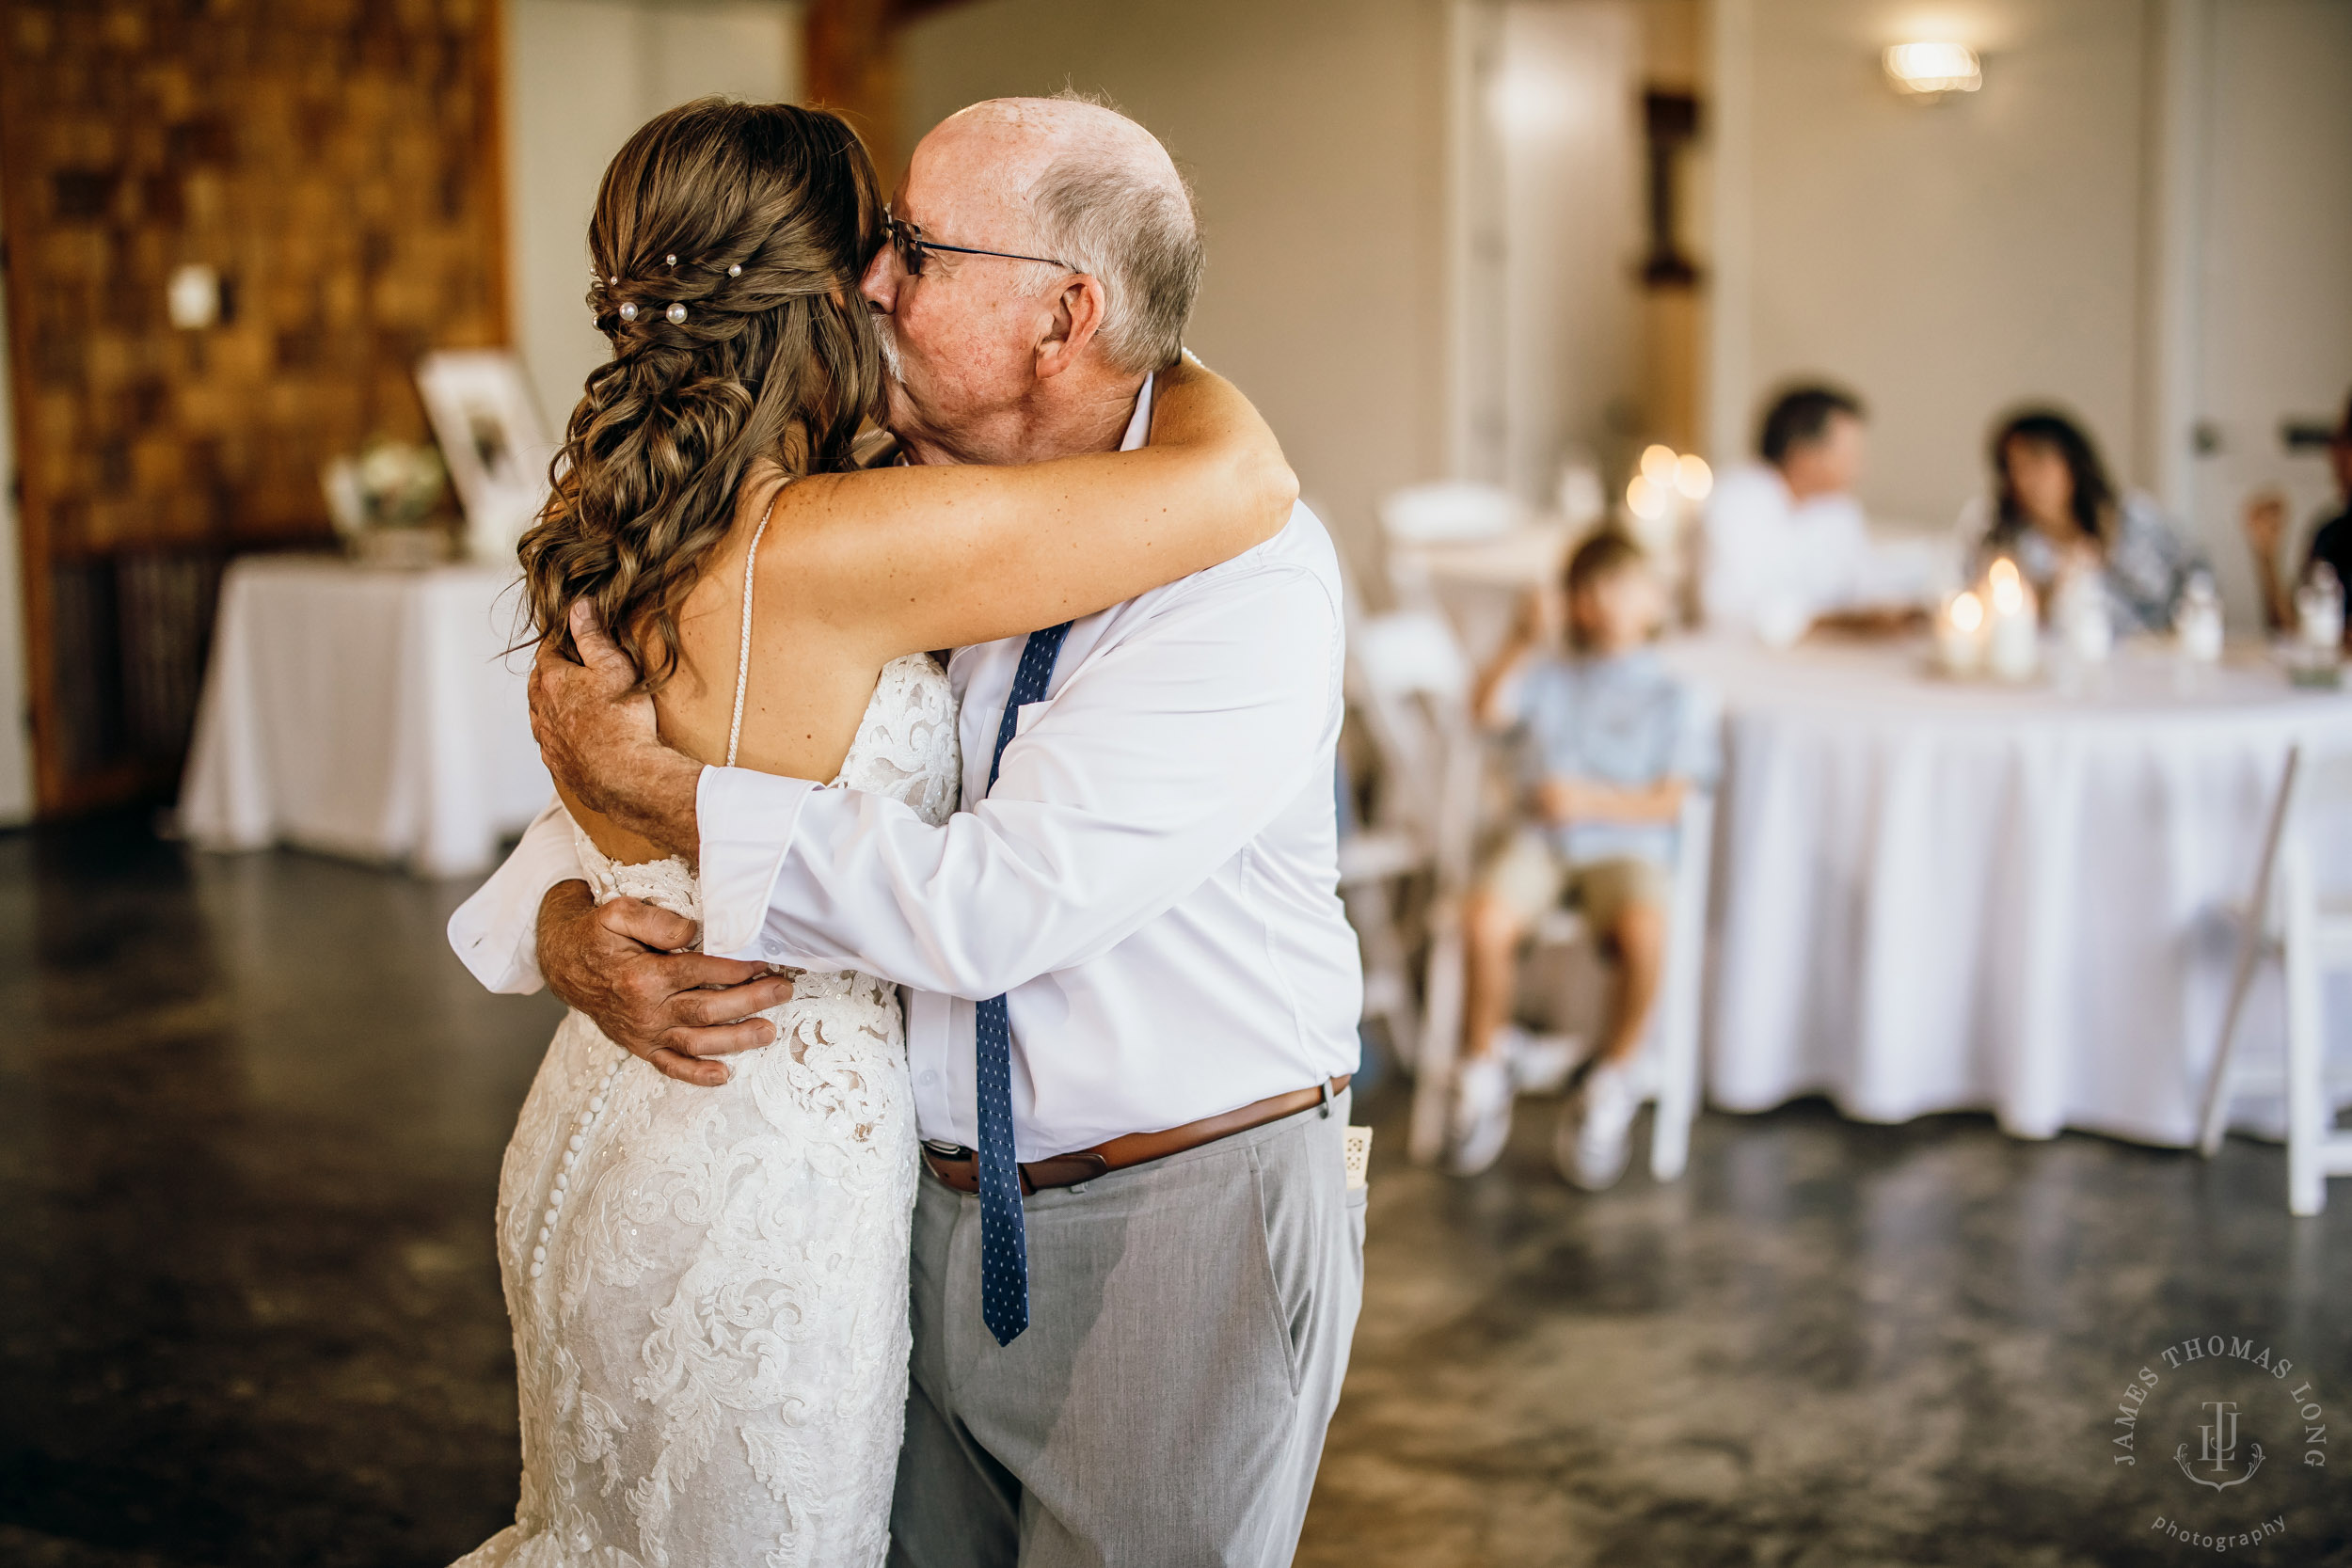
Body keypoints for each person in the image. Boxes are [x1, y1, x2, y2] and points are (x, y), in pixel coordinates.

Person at [449, 93, 1366, 1568]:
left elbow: (987, 905)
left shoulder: (1235, 572)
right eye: (870, 244)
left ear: (1064, 317)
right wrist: (564, 923)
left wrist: (665, 802)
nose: (872, 281)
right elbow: (701, 752)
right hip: (882, 1203)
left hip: (1170, 1216)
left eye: (915, 247)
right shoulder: (880, 502)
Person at [1448, 530, 1717, 1187]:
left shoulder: (1675, 694)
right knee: (1483, 918)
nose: (1603, 604)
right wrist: (1521, 636)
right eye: (1588, 592)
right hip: (1541, 842)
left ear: (1653, 600)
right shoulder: (1548, 674)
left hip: (1626, 846)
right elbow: (1484, 711)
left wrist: (1588, 798)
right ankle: (1484, 1068)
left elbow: (1669, 802)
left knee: (1648, 928)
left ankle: (1614, 1077)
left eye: (1619, 588)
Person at [1962, 407, 2204, 633]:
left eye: (2039, 462)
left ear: (2072, 461)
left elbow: (2193, 582)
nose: (2028, 480)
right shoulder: (2003, 538)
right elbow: (1984, 613)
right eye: (2016, 468)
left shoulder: (2132, 519)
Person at [1701, 383, 1873, 638]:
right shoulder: (1736, 501)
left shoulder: (1839, 509)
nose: (1858, 469)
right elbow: (1725, 607)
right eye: (1847, 455)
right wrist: (1828, 621)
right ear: (1802, 453)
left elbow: (1857, 582)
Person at [2242, 388, 2352, 641]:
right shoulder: (2332, 534)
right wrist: (2267, 557)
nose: (2332, 454)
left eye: (2343, 441)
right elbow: (2293, 635)